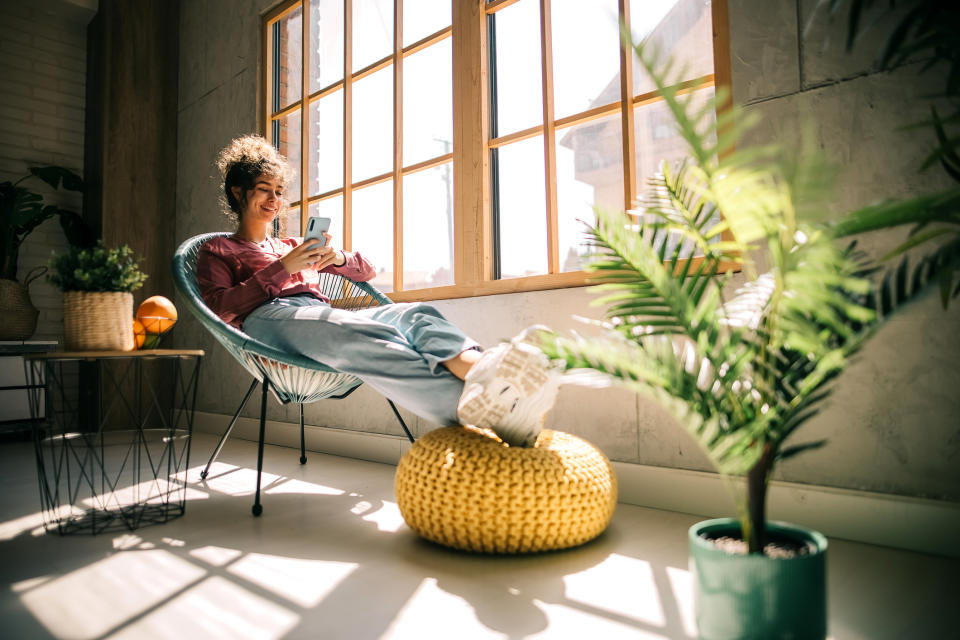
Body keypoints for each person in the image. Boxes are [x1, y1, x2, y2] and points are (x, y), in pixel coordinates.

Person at [196, 134, 560, 447]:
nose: (275, 200)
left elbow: (366, 270)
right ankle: (485, 409)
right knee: (358, 331)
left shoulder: (291, 243)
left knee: (411, 314)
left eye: (279, 191)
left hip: (315, 314)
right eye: (264, 191)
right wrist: (283, 268)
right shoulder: (218, 250)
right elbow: (221, 309)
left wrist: (335, 256)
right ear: (238, 191)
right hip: (268, 321)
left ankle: (483, 372)